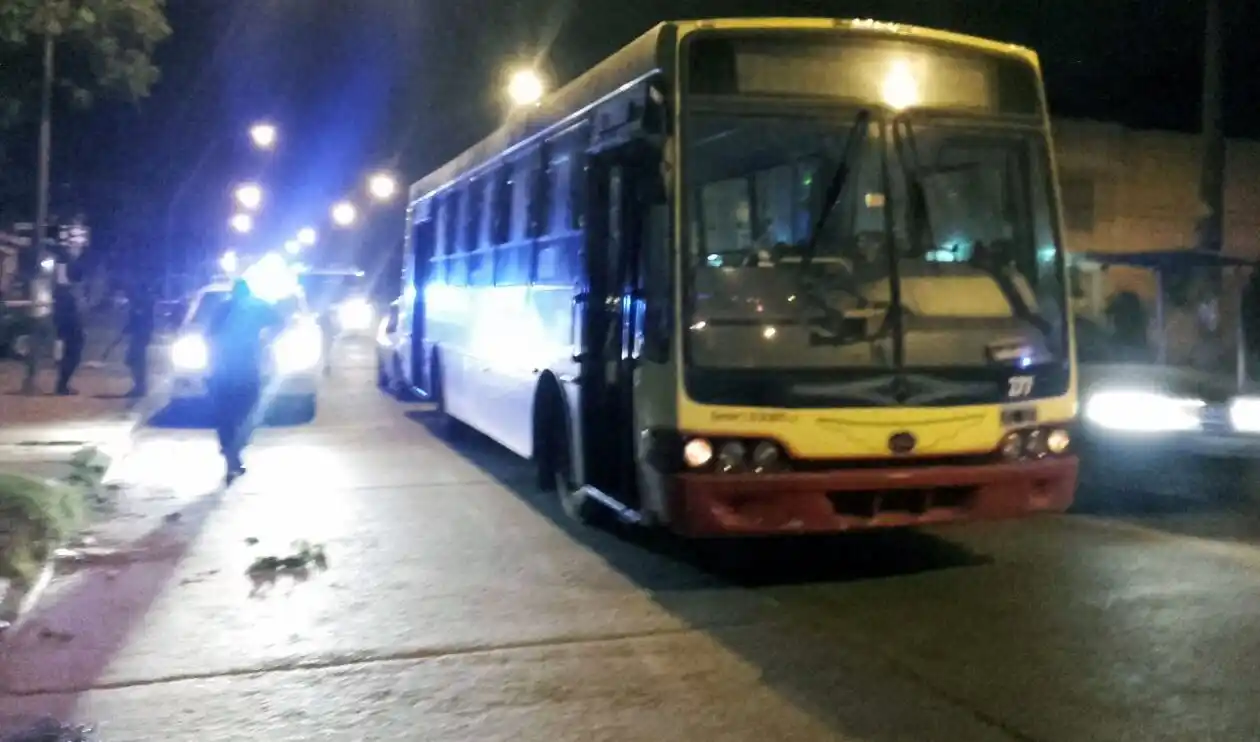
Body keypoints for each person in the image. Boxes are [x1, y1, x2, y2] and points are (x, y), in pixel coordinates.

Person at [205, 278, 280, 484]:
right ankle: (233, 453)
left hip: (225, 370)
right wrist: (266, 338)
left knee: (227, 414)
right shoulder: (255, 307)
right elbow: (279, 321)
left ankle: (231, 452)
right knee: (244, 413)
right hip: (244, 370)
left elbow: (209, 335)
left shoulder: (224, 308)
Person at [123, 281, 155, 397]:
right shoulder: (141, 302)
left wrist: (130, 327)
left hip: (140, 335)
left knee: (136, 361)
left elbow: (140, 319)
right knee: (133, 360)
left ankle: (140, 386)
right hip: (139, 335)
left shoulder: (143, 303)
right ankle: (139, 385)